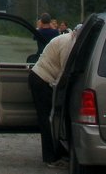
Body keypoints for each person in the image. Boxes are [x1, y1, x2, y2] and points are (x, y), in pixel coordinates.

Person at [29, 25, 81, 169]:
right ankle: (50, 158)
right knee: (46, 120)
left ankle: (56, 153)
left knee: (49, 119)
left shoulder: (69, 40)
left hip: (42, 78)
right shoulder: (68, 44)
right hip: (41, 79)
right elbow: (64, 72)